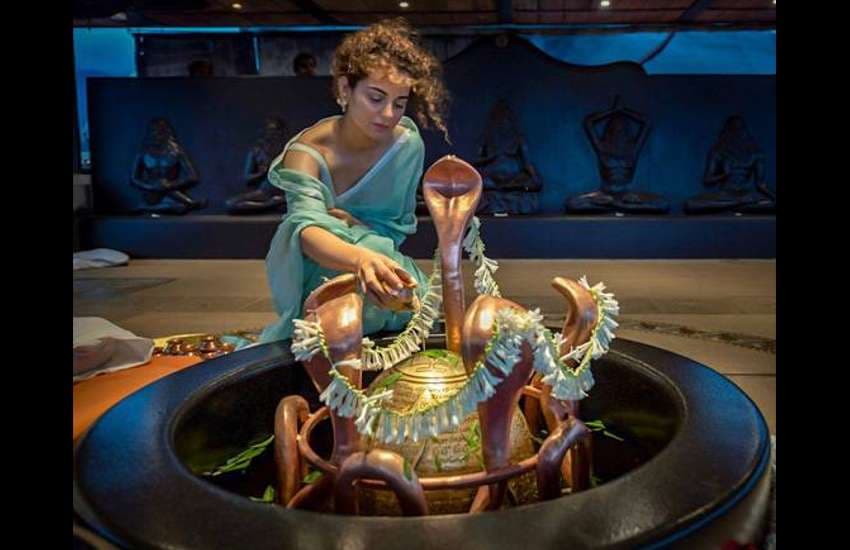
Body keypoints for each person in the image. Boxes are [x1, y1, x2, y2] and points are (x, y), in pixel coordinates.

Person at [259, 18, 449, 344]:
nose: (389, 114)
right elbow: (305, 233)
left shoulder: (406, 145)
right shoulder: (307, 152)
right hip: (327, 269)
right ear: (346, 89)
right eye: (376, 98)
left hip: (382, 260)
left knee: (423, 322)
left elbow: (392, 228)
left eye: (399, 103)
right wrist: (359, 255)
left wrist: (357, 228)